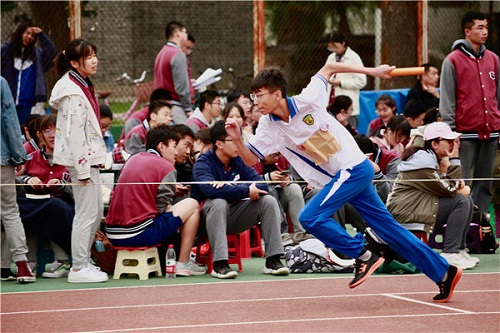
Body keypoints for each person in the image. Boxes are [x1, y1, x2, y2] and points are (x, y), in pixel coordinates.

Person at [225, 62, 462, 303]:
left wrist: (374, 72)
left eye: (259, 95)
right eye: (253, 96)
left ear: (277, 94)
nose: (255, 101)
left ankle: (363, 254)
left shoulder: (308, 99)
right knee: (391, 230)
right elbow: (252, 157)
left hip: (353, 169)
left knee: (309, 217)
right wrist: (237, 139)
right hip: (343, 179)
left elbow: (329, 67)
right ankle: (444, 272)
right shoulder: (268, 124)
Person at [191, 120, 289, 279]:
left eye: (240, 139)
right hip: (205, 221)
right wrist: (244, 189)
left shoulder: (238, 160)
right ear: (219, 144)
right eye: (233, 140)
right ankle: (220, 264)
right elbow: (209, 190)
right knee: (218, 202)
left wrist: (229, 187)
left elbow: (262, 186)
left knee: (268, 201)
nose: (239, 144)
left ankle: (273, 260)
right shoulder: (203, 162)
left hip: (233, 216)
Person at [105, 125, 206, 276]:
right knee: (191, 204)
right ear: (161, 146)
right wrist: (170, 204)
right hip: (138, 234)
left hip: (112, 234)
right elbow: (159, 210)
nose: (177, 151)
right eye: (173, 146)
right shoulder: (167, 167)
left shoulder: (133, 159)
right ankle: (182, 263)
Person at [50, 38, 108, 283]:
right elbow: (74, 134)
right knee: (86, 213)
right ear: (74, 63)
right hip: (81, 162)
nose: (94, 60)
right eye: (88, 56)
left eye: (94, 54)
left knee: (94, 212)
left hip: (88, 159)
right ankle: (79, 267)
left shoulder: (82, 83)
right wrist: (84, 169)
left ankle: (84, 262)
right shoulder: (73, 91)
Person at [386, 122, 478, 270]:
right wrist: (454, 160)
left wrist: (450, 176)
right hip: (408, 213)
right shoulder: (422, 162)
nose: (453, 144)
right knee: (461, 201)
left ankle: (459, 250)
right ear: (434, 144)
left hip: (417, 208)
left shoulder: (428, 158)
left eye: (453, 140)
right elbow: (448, 189)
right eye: (448, 141)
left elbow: (448, 186)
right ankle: (450, 253)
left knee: (466, 199)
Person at [440, 11, 500, 216]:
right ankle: (460, 229)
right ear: (467, 31)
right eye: (479, 28)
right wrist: (451, 132)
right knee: (461, 182)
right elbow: (447, 98)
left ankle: (480, 226)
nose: (484, 32)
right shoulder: (452, 60)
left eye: (486, 27)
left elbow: (497, 96)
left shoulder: (493, 59)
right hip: (464, 134)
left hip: (491, 132)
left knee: (485, 183)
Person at [17, 114, 74, 278]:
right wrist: (28, 180)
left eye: (56, 131)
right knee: (21, 209)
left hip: (62, 203)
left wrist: (61, 185)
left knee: (55, 208)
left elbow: (79, 190)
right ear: (39, 135)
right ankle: (30, 262)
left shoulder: (71, 159)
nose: (52, 135)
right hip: (34, 202)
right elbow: (17, 179)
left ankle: (62, 261)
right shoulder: (30, 157)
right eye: (47, 131)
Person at [1, 76, 36, 284]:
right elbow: (9, 119)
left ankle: (4, 267)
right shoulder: (1, 83)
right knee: (9, 211)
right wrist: (19, 156)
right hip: (1, 160)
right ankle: (22, 265)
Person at [1, 22, 57, 126]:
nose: (29, 37)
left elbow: (52, 54)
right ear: (20, 32)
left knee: (22, 130)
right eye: (27, 33)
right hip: (6, 101)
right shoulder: (6, 51)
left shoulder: (36, 55)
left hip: (26, 102)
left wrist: (41, 35)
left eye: (33, 35)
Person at [325, 31, 367, 129]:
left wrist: (341, 83)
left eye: (335, 45)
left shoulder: (354, 58)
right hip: (332, 106)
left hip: (347, 108)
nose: (333, 49)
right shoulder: (331, 57)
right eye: (330, 47)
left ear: (343, 43)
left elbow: (362, 81)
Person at [154, 21, 192, 124]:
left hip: (162, 104)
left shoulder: (162, 52)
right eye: (185, 32)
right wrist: (188, 108)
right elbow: (181, 86)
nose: (187, 35)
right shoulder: (177, 54)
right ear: (178, 34)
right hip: (176, 107)